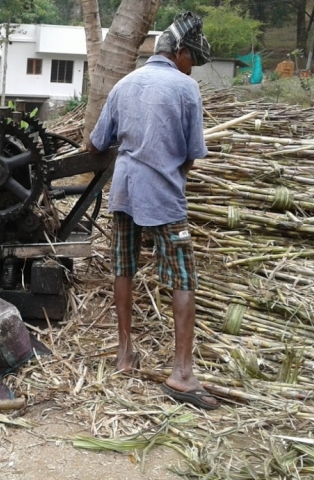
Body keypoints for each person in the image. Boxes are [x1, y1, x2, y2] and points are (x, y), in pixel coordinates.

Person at [87, 12, 219, 410]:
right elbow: (192, 155)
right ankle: (181, 373)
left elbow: (95, 146)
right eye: (190, 58)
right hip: (163, 196)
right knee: (182, 277)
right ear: (178, 52)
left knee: (123, 268)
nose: (191, 65)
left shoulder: (124, 84)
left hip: (125, 192)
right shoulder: (185, 88)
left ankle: (124, 355)